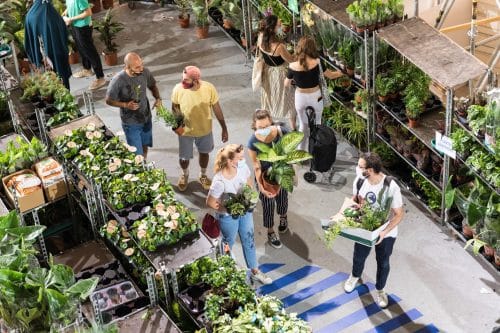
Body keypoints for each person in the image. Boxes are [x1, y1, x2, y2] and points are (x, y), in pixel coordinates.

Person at [344, 152, 404, 308]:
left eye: (360, 166)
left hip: (386, 232)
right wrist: (353, 207)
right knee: (359, 256)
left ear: (369, 170)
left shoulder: (391, 186)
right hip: (366, 227)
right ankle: (355, 276)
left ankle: (380, 290)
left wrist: (384, 232)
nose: (357, 169)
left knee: (383, 263)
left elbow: (398, 215)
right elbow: (356, 200)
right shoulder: (359, 181)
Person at [206, 144, 272, 285]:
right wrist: (228, 208)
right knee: (227, 243)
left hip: (245, 212)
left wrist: (246, 200)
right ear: (229, 161)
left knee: (248, 239)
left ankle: (254, 271)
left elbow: (249, 184)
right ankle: (226, 272)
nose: (242, 159)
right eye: (239, 158)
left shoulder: (242, 167)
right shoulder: (219, 181)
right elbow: (211, 202)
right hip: (228, 217)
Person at [171, 66, 228, 192]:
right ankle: (184, 175)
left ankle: (202, 175)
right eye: (182, 78)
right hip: (185, 132)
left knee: (204, 153)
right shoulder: (178, 89)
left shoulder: (208, 88)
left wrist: (224, 128)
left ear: (196, 81)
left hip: (204, 130)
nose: (183, 82)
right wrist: (177, 124)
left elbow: (217, 108)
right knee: (184, 157)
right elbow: (175, 107)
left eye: (186, 80)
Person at [285, 36, 343, 151]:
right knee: (317, 125)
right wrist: (341, 72)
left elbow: (286, 84)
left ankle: (301, 153)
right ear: (312, 48)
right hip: (315, 97)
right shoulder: (317, 62)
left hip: (300, 98)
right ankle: (317, 152)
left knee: (303, 125)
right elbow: (330, 75)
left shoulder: (292, 66)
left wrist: (295, 82)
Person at [105, 52, 162, 159]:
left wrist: (158, 98)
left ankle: (144, 163)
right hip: (130, 123)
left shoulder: (144, 72)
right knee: (136, 154)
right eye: (137, 67)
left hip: (146, 117)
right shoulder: (118, 80)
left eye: (141, 65)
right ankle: (141, 168)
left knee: (145, 146)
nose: (141, 69)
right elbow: (108, 100)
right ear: (127, 67)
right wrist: (125, 105)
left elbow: (152, 85)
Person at [247, 109, 289, 249]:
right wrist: (261, 187)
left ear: (271, 121)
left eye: (266, 126)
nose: (264, 130)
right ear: (255, 126)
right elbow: (256, 166)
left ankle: (283, 218)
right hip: (265, 176)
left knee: (282, 197)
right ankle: (270, 231)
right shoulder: (253, 141)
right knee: (268, 204)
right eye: (260, 128)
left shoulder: (282, 132)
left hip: (281, 173)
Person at [257, 15, 295, 128]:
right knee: (288, 99)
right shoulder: (279, 46)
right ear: (272, 28)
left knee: (269, 97)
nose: (281, 26)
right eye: (279, 25)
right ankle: (293, 127)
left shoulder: (261, 37)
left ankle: (269, 122)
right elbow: (291, 60)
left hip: (267, 72)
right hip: (280, 74)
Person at [62, 0, 106, 90]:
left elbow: (88, 12)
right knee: (81, 48)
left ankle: (100, 77)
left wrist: (71, 19)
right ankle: (87, 70)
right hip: (75, 26)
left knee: (90, 51)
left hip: (83, 27)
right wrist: (63, 14)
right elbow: (70, 6)